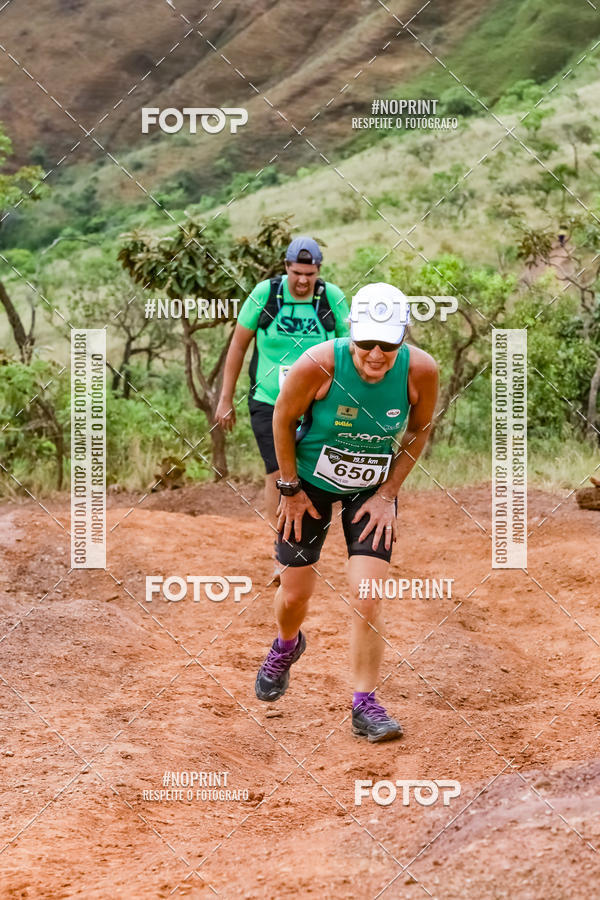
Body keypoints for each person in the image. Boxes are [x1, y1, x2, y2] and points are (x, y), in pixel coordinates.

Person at [254, 283, 439, 742]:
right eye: (367, 342)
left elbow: (419, 430)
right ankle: (287, 644)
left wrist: (388, 494)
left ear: (403, 337)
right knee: (294, 595)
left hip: (372, 490)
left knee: (368, 596)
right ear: (351, 330)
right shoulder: (318, 364)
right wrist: (289, 489)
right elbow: (282, 418)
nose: (376, 354)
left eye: (388, 344)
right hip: (308, 485)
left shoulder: (420, 371)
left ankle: (365, 704)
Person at [215, 237, 349, 581]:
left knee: (308, 471)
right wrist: (225, 398)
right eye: (296, 273)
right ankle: (280, 552)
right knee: (278, 473)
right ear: (286, 267)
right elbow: (237, 346)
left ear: (318, 271)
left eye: (310, 274)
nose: (303, 280)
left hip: (316, 403)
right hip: (268, 401)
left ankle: (300, 543)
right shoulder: (266, 294)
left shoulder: (330, 298)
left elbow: (349, 349)